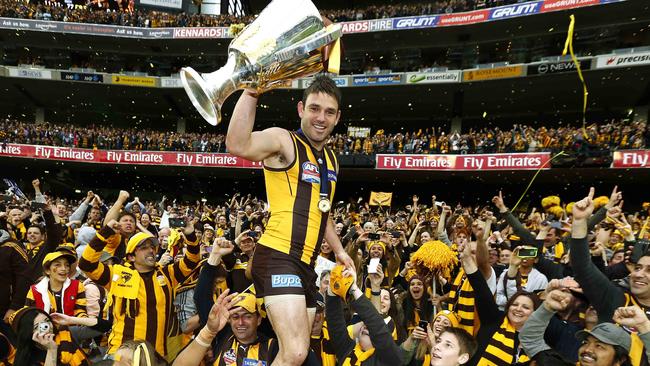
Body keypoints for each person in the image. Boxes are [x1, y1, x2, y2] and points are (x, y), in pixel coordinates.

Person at [226, 74, 354, 365]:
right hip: (278, 256)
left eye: (329, 112)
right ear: (300, 109)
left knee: (296, 352)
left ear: (338, 118)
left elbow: (324, 211)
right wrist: (252, 92)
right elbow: (236, 143)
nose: (321, 118)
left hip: (306, 266)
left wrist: (340, 250)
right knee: (296, 352)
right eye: (314, 108)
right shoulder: (284, 141)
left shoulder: (332, 160)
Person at [78, 217, 201, 359]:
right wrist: (104, 233)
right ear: (131, 257)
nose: (151, 251)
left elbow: (192, 261)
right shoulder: (116, 274)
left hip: (156, 355)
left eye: (152, 247)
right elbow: (86, 264)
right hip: (123, 355)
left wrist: (190, 235)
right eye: (143, 248)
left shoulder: (167, 274)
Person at [458, 220, 540, 365]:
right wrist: (466, 259)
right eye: (515, 304)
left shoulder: (533, 344)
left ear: (535, 314)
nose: (518, 309)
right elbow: (481, 289)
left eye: (526, 307)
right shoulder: (494, 320)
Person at [325, 265, 403, 365]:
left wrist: (354, 288)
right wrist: (334, 284)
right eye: (365, 324)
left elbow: (374, 321)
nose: (367, 325)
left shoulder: (391, 360)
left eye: (375, 328)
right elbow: (334, 320)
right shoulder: (347, 350)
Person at [10, 306, 89, 365]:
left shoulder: (64, 333)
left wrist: (71, 319)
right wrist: (52, 349)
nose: (46, 327)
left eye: (47, 320)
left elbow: (98, 328)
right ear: (27, 334)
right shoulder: (28, 359)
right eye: (37, 326)